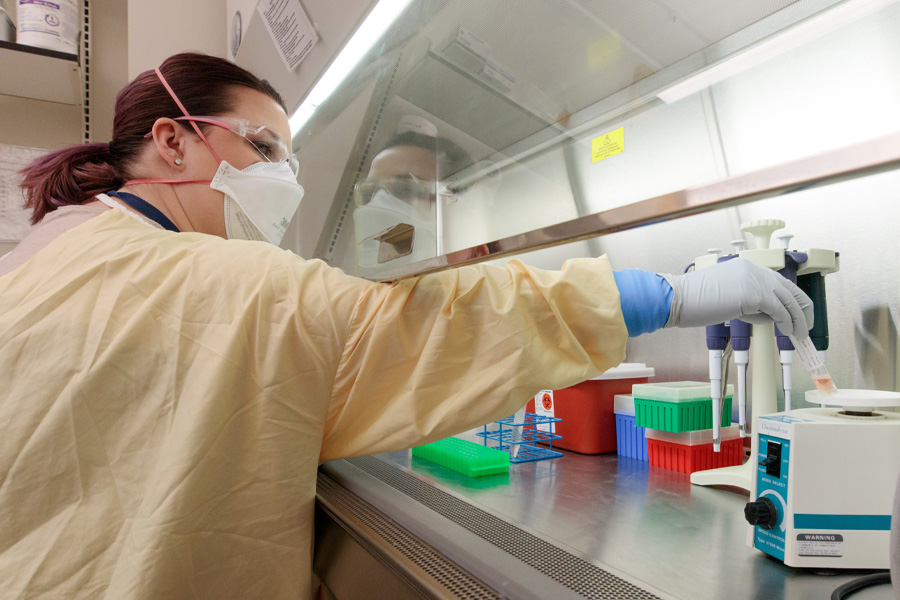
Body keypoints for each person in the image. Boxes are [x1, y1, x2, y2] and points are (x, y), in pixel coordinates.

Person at [0, 52, 813, 599]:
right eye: (262, 147)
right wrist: (661, 296)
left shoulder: (58, 246)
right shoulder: (200, 277)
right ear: (172, 140)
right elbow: (405, 332)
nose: (281, 177)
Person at [353, 127, 470, 270]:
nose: (377, 203)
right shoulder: (367, 290)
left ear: (453, 204)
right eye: (368, 192)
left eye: (405, 189)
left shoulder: (479, 285)